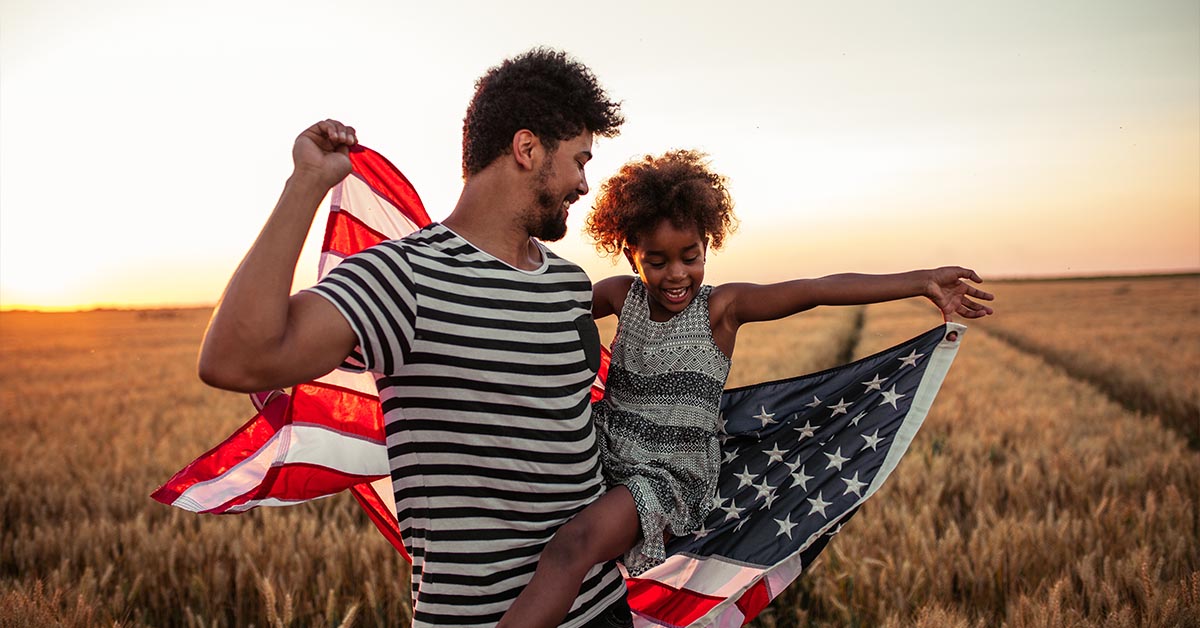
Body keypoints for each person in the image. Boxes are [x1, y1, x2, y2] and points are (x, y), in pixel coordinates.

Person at [197, 48, 632, 628]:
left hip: (602, 607)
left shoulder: (568, 283)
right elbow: (236, 359)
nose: (584, 182)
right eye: (580, 160)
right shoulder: (405, 277)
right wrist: (306, 183)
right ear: (527, 150)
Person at [497, 149, 995, 628]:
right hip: (603, 448)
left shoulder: (722, 310)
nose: (676, 274)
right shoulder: (619, 295)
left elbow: (817, 289)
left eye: (690, 257)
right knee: (521, 519)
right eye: (657, 261)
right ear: (630, 255)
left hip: (668, 475)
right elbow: (546, 311)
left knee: (572, 546)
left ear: (708, 246)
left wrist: (921, 280)